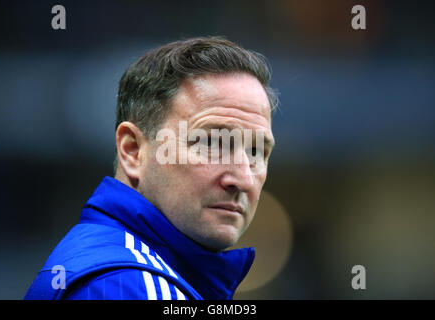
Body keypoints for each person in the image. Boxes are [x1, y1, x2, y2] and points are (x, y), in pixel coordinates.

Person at [24, 36, 277, 300]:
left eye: (256, 151)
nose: (244, 179)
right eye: (211, 142)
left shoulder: (120, 271)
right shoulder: (126, 286)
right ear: (132, 150)